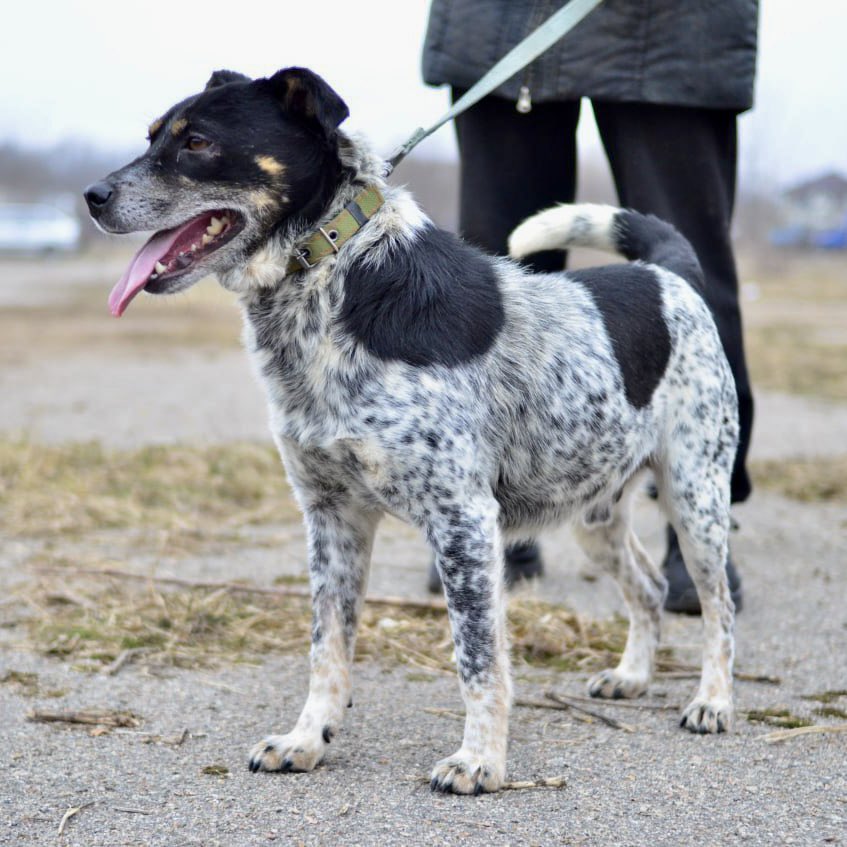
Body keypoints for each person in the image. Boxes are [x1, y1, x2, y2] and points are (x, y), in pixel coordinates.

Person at [421, 0, 757, 613]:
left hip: (676, 32)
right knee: (494, 279)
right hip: (501, 26)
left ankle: (699, 522)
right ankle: (485, 512)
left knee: (685, 275)